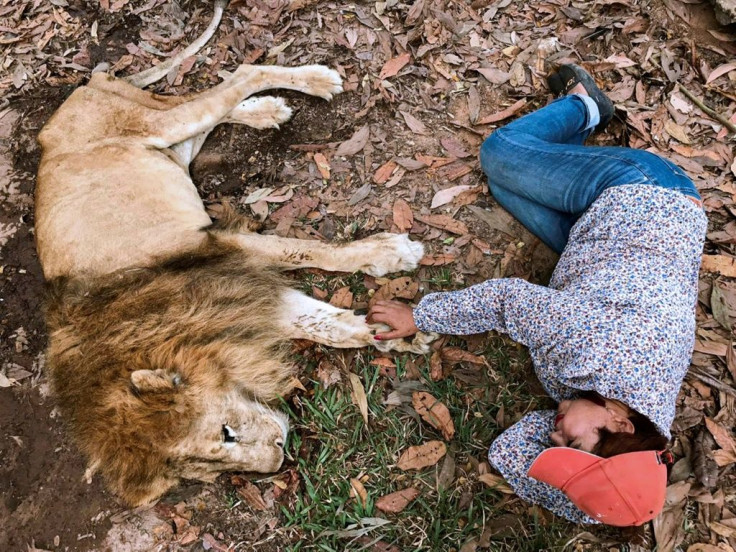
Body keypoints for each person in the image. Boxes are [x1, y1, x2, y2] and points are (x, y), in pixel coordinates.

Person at [367, 64, 707, 526]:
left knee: (506, 187)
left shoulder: (637, 446)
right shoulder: (596, 351)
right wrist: (421, 317)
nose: (552, 437)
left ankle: (556, 158)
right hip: (646, 193)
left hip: (609, 249)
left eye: (558, 453)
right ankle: (586, 105)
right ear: (621, 423)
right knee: (498, 155)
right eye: (573, 444)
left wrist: (574, 475)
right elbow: (508, 300)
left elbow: (513, 452)